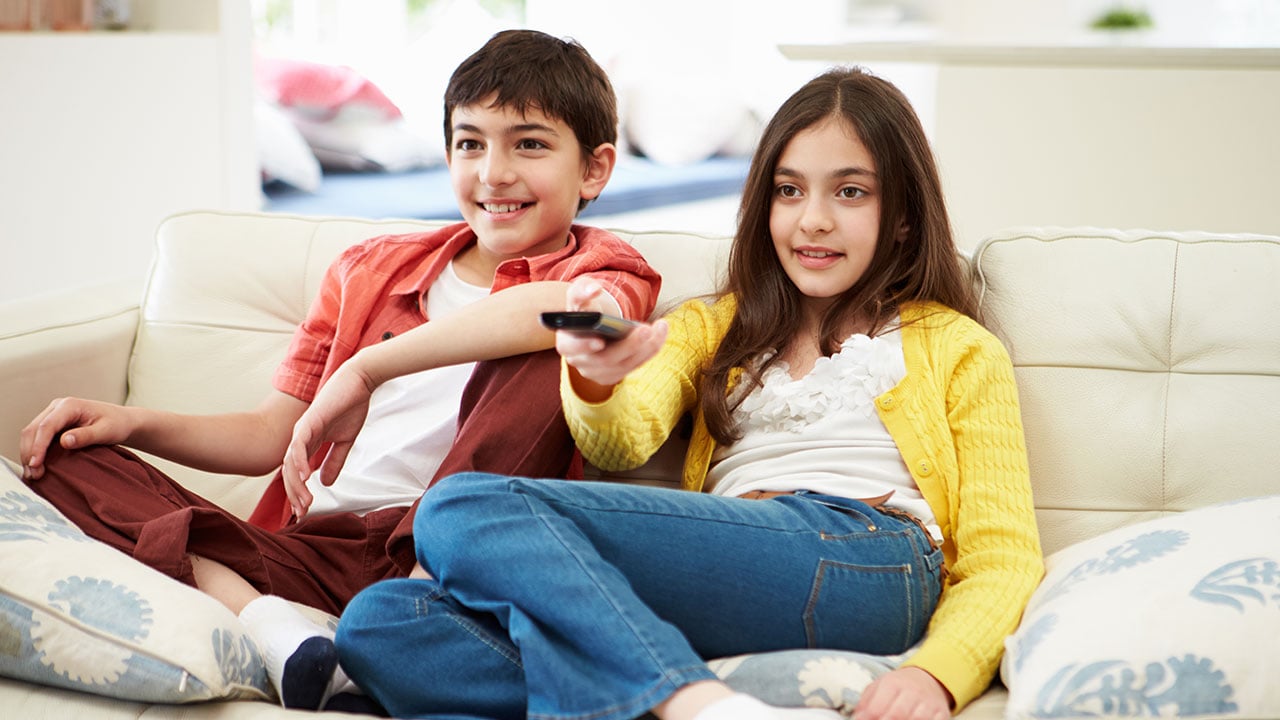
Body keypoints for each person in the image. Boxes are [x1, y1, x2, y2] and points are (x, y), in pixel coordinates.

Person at [333, 66, 1045, 720]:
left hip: (870, 560)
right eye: (788, 190)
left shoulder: (958, 347)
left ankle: (693, 703)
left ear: (904, 217)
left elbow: (1003, 557)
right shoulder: (712, 326)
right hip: (728, 582)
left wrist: (937, 675)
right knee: (384, 623)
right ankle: (677, 688)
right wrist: (593, 376)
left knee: (460, 507)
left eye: (850, 191)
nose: (813, 219)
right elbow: (623, 436)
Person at [16, 29, 660, 712]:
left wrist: (368, 368)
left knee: (551, 346)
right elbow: (270, 437)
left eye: (528, 144)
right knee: (64, 456)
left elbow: (580, 317)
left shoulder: (606, 271)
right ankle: (279, 633)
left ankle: (404, 619)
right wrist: (130, 422)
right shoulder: (369, 267)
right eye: (471, 143)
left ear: (594, 169)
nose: (493, 173)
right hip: (315, 552)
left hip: (449, 561)